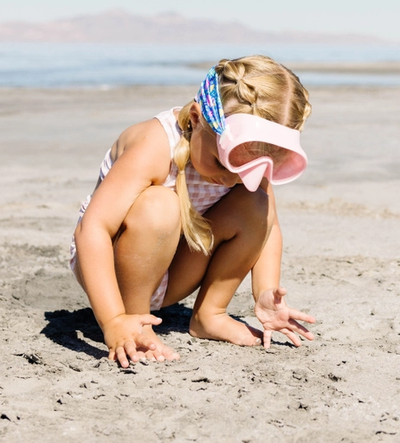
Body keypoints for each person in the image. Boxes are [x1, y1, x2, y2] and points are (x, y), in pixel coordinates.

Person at [71, 55, 315, 366]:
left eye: (245, 171)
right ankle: (135, 320)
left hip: (173, 272)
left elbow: (268, 228)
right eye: (220, 162)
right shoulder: (155, 143)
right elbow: (92, 229)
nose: (231, 178)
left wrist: (265, 292)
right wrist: (113, 319)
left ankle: (209, 314)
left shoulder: (239, 167)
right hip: (115, 270)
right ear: (196, 119)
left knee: (256, 202)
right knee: (160, 205)